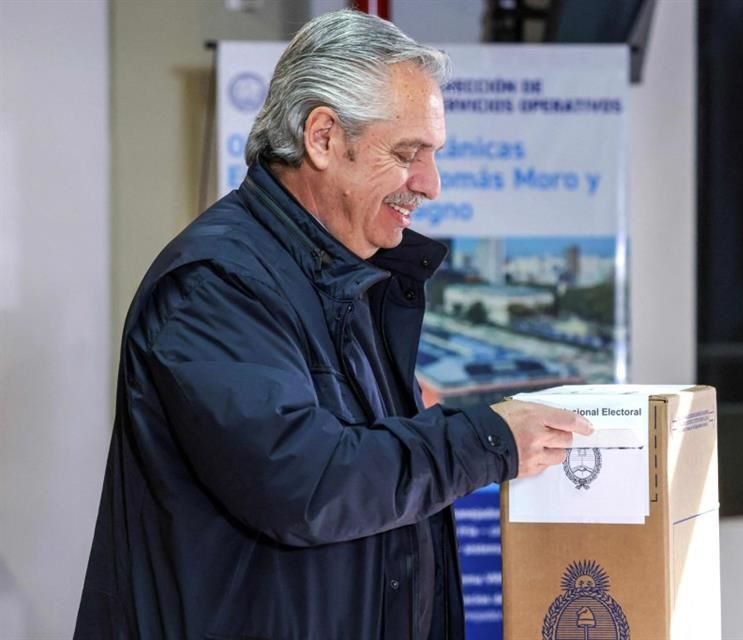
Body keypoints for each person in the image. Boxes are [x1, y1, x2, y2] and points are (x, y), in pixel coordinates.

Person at [75, 10, 591, 640]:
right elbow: (306, 484)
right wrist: (486, 441)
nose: (430, 184)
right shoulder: (215, 284)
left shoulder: (345, 278)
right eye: (408, 153)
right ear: (321, 137)